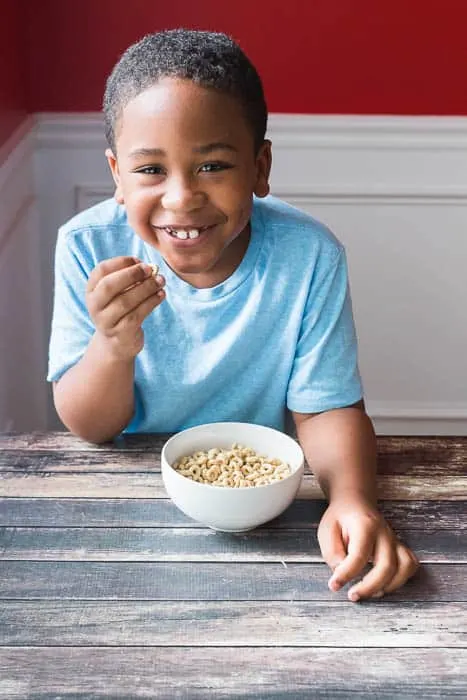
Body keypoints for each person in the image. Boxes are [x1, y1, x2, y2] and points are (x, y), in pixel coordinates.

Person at [47, 29, 419, 601]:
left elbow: (326, 409)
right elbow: (90, 427)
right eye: (150, 171)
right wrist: (113, 345)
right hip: (124, 507)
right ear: (116, 174)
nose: (181, 199)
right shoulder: (87, 247)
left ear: (260, 167)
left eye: (213, 166)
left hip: (269, 514)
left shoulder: (308, 256)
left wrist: (350, 500)